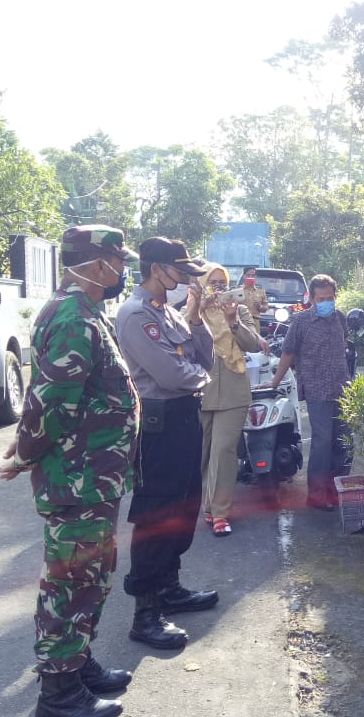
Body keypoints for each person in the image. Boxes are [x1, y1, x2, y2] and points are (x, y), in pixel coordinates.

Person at [0, 226, 137, 717]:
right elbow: (50, 401)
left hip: (95, 477)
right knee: (70, 581)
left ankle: (77, 666)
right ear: (98, 264)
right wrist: (24, 454)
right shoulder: (73, 315)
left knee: (91, 577)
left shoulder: (89, 311)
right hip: (78, 479)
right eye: (118, 260)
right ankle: (58, 696)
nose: (123, 269)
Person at [116, 237, 217, 650]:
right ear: (158, 269)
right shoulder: (137, 314)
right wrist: (199, 375)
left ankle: (170, 590)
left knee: (183, 506)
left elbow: (203, 358)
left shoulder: (169, 314)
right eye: (180, 271)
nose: (185, 279)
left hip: (182, 418)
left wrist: (195, 318)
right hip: (158, 423)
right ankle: (146, 612)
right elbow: (174, 374)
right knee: (156, 515)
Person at [267, 274, 350, 511]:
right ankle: (316, 494)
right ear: (312, 299)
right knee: (322, 442)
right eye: (321, 298)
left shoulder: (340, 318)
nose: (326, 302)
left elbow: (343, 346)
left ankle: (335, 490)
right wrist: (275, 382)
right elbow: (288, 353)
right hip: (316, 389)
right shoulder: (302, 322)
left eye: (330, 297)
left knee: (342, 441)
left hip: (342, 388)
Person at [196, 264, 263, 536]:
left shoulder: (241, 309)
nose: (218, 288)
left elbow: (252, 344)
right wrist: (195, 310)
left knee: (224, 451)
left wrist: (233, 320)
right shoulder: (189, 311)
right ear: (202, 284)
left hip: (234, 389)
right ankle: (206, 506)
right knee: (201, 453)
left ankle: (220, 512)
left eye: (222, 283)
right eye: (212, 282)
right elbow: (180, 342)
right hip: (198, 389)